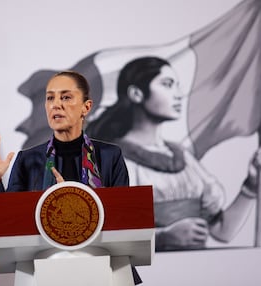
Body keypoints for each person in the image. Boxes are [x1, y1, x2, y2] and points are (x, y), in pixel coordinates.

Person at [0, 70, 142, 284]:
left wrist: (72, 202)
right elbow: (9, 225)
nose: (56, 104)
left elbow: (123, 222)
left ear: (86, 107)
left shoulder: (109, 156)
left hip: (103, 271)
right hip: (44, 273)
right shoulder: (29, 160)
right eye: (50, 98)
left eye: (65, 97)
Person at [86, 56, 261, 251]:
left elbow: (223, 231)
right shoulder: (116, 159)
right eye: (167, 85)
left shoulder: (183, 158)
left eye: (177, 85)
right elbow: (107, 241)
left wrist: (251, 186)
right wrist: (163, 237)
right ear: (136, 94)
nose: (179, 95)